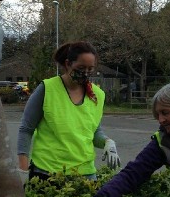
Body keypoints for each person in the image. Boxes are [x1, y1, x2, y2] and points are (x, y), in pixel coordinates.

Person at [17, 41, 120, 183]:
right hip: (46, 172)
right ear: (68, 64)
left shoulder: (98, 95)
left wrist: (107, 142)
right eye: (81, 67)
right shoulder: (47, 89)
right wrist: (22, 170)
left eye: (90, 69)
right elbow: (26, 129)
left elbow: (94, 132)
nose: (85, 73)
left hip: (85, 175)